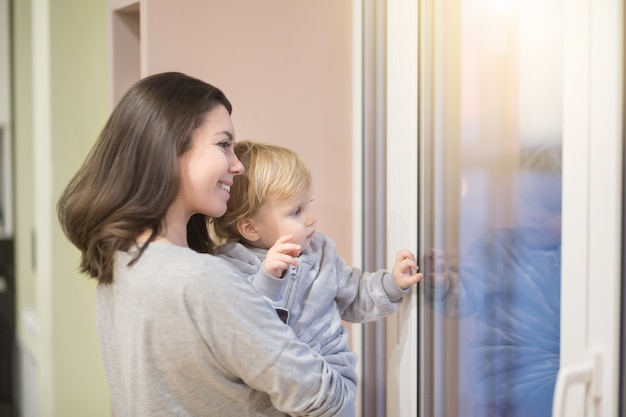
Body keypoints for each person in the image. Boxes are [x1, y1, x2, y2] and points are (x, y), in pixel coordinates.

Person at [57, 72, 355, 417]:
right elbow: (327, 401)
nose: (237, 165)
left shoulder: (121, 262)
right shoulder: (202, 280)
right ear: (169, 148)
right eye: (223, 144)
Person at [211, 140, 423, 405]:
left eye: (308, 204)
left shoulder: (321, 252)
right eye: (296, 211)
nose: (311, 218)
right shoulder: (230, 264)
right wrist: (268, 278)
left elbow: (355, 294)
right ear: (251, 228)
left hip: (330, 370)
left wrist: (392, 283)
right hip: (266, 390)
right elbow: (246, 327)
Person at [423, 142, 562, 417]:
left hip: (560, 382)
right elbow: (464, 296)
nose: (534, 213)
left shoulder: (584, 259)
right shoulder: (499, 248)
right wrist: (441, 283)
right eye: (526, 200)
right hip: (502, 386)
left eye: (550, 206)